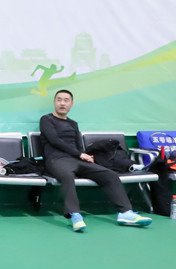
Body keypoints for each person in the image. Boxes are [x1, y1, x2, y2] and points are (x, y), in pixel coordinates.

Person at [39, 89, 152, 232]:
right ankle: (75, 215)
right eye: (59, 100)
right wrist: (80, 154)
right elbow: (55, 140)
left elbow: (79, 145)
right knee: (67, 176)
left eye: (66, 100)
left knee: (110, 175)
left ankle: (125, 213)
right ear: (54, 102)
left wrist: (86, 156)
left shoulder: (73, 123)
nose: (62, 103)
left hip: (76, 159)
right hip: (56, 160)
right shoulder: (46, 119)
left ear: (71, 104)